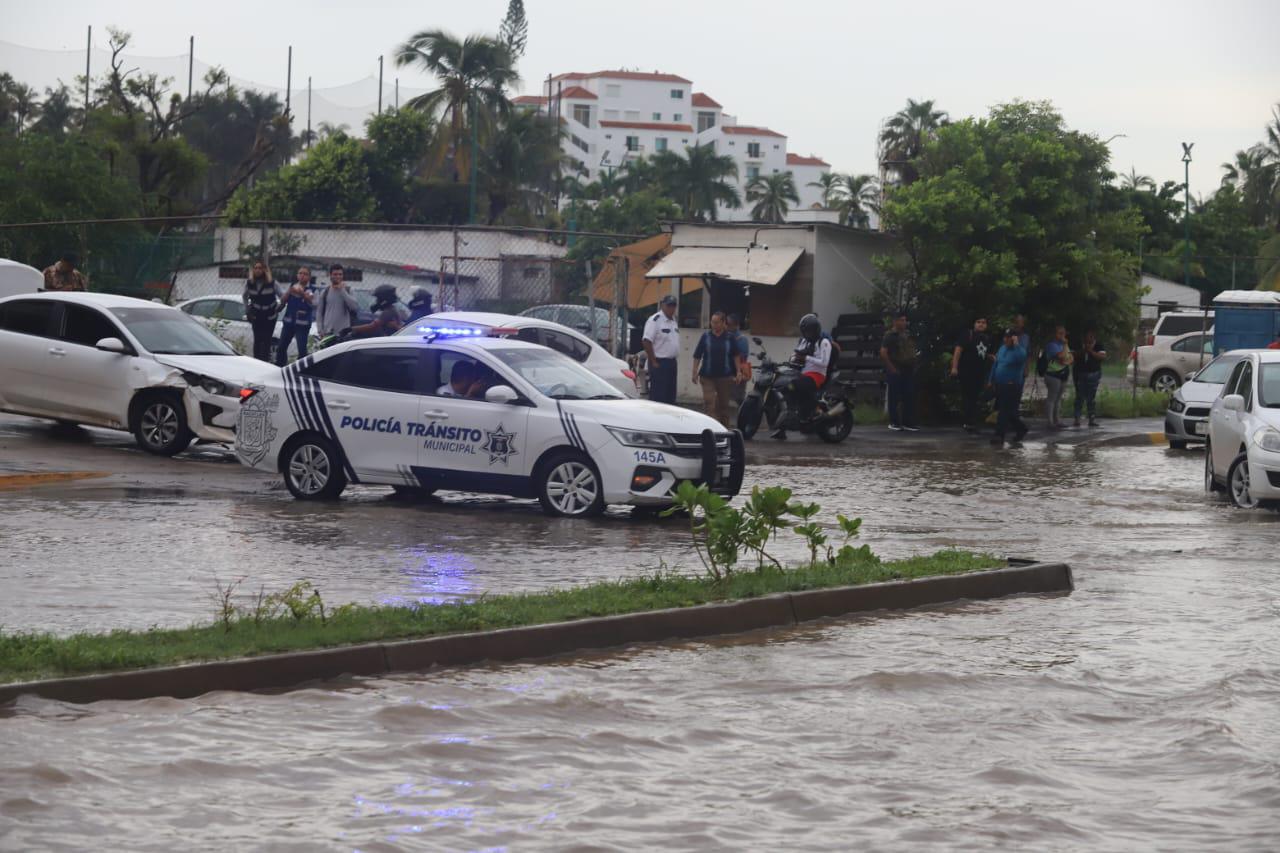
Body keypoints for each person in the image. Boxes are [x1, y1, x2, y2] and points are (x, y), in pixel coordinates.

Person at [774, 313, 833, 440]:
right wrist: (792, 360)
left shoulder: (824, 342)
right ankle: (784, 425)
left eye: (809, 331)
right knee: (783, 385)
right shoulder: (804, 341)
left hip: (817, 375)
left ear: (815, 329)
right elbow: (795, 354)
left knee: (794, 385)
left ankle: (813, 410)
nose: (807, 334)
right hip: (802, 373)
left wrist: (806, 358)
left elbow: (824, 362)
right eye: (805, 331)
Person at [691, 311, 742, 429]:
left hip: (725, 377)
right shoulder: (706, 337)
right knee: (710, 403)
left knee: (723, 406)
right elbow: (697, 355)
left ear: (723, 323)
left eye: (716, 322)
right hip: (707, 376)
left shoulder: (730, 338)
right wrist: (694, 371)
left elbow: (736, 355)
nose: (713, 325)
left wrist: (738, 371)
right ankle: (710, 430)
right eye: (712, 322)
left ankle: (724, 429)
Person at [951, 317, 993, 432]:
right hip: (967, 371)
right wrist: (954, 367)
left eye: (984, 323)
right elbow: (958, 350)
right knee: (967, 397)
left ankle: (972, 421)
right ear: (974, 324)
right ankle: (968, 422)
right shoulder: (967, 335)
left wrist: (991, 357)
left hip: (980, 373)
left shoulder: (986, 338)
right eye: (978, 322)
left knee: (975, 397)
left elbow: (984, 353)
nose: (981, 324)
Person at [989, 328, 1029, 447]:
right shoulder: (1002, 349)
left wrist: (1016, 344)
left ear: (1014, 338)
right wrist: (991, 379)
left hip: (1012, 385)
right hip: (1000, 383)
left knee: (1003, 410)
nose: (1006, 339)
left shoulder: (1020, 350)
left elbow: (1021, 358)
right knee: (1009, 411)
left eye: (1009, 337)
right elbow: (996, 364)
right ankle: (1021, 428)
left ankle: (999, 435)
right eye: (1005, 337)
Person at [880, 310, 919, 431]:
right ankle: (894, 422)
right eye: (901, 320)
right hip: (896, 368)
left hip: (908, 368)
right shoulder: (889, 335)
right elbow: (883, 352)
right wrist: (891, 368)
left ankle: (908, 422)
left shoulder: (907, 334)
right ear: (895, 321)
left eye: (905, 320)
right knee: (894, 396)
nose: (904, 322)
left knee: (909, 395)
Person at [274, 267, 318, 366]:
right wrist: (289, 291)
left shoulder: (313, 289)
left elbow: (315, 304)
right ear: (297, 275)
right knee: (281, 347)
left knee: (302, 351)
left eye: (305, 274)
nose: (302, 275)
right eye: (300, 273)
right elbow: (283, 300)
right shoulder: (292, 286)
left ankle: (301, 371)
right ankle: (280, 367)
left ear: (309, 277)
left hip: (302, 325)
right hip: (288, 322)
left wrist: (302, 294)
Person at [643, 294, 680, 404]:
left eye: (673, 305)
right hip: (659, 363)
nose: (671, 308)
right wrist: (653, 361)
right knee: (658, 397)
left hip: (672, 363)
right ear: (662, 305)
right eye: (669, 305)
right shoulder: (655, 320)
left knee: (670, 396)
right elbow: (646, 341)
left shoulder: (674, 320)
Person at [242, 259, 281, 362]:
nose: (258, 270)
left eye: (260, 268)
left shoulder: (272, 283)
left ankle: (265, 363)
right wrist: (247, 310)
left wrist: (279, 308)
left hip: (270, 316)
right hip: (256, 316)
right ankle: (256, 363)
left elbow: (282, 295)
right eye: (256, 268)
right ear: (253, 270)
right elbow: (244, 296)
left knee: (267, 341)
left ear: (265, 270)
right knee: (257, 340)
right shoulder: (249, 283)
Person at [1072, 330, 1107, 427]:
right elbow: (1072, 355)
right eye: (1087, 337)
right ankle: (1077, 419)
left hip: (1093, 373)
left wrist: (1091, 351)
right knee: (1079, 397)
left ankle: (1091, 419)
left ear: (1094, 337)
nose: (1089, 339)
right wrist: (1084, 350)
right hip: (1080, 373)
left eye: (1091, 337)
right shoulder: (1079, 344)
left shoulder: (1098, 345)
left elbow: (1102, 356)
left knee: (1091, 398)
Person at [315, 264, 359, 340]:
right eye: (335, 274)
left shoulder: (349, 290)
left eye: (340, 274)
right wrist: (320, 330)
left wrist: (342, 290)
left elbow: (354, 307)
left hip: (344, 333)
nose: (338, 277)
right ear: (330, 275)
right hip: (328, 333)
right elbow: (319, 312)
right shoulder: (325, 292)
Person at [1042, 325, 1073, 429]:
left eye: (1064, 333)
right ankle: (1050, 422)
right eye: (1060, 333)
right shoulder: (1052, 345)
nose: (1062, 335)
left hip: (1063, 374)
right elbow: (1061, 356)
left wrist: (1065, 360)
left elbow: (1070, 358)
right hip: (1053, 374)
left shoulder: (1064, 345)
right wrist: (1064, 349)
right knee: (1052, 398)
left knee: (1058, 398)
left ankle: (1057, 420)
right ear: (1055, 334)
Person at [726, 313, 751, 409]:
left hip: (736, 373)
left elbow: (743, 358)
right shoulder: (725, 337)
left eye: (728, 324)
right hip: (726, 373)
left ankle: (746, 417)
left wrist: (738, 372)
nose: (726, 326)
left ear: (736, 325)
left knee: (739, 398)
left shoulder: (741, 339)